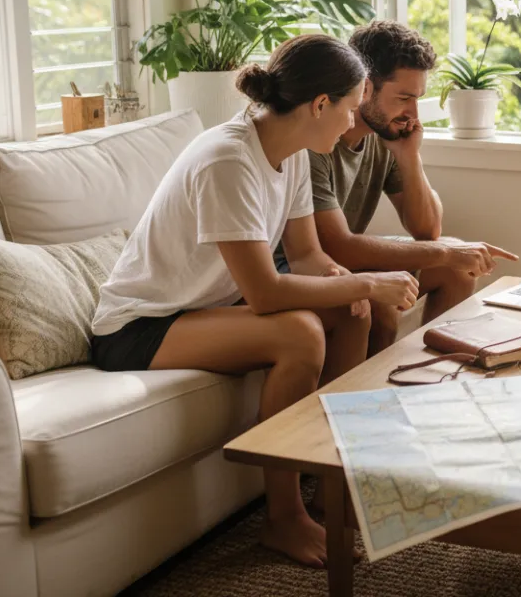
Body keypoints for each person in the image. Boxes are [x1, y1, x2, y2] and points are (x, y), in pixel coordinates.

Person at [91, 34, 419, 569]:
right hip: (139, 326)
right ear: (319, 105)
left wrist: (349, 284)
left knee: (351, 311)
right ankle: (282, 517)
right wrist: (362, 282)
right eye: (351, 108)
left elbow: (308, 255)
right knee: (301, 332)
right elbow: (266, 292)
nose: (352, 122)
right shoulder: (229, 160)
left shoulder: (287, 152)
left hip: (202, 311)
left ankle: (330, 485)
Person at [302, 20, 518, 354]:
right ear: (364, 87)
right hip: (312, 267)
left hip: (347, 260)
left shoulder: (384, 135)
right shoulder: (316, 140)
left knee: (454, 268)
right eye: (404, 97)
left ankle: (434, 378)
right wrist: (447, 251)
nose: (413, 113)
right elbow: (337, 248)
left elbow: (427, 229)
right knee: (388, 305)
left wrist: (408, 156)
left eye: (418, 99)